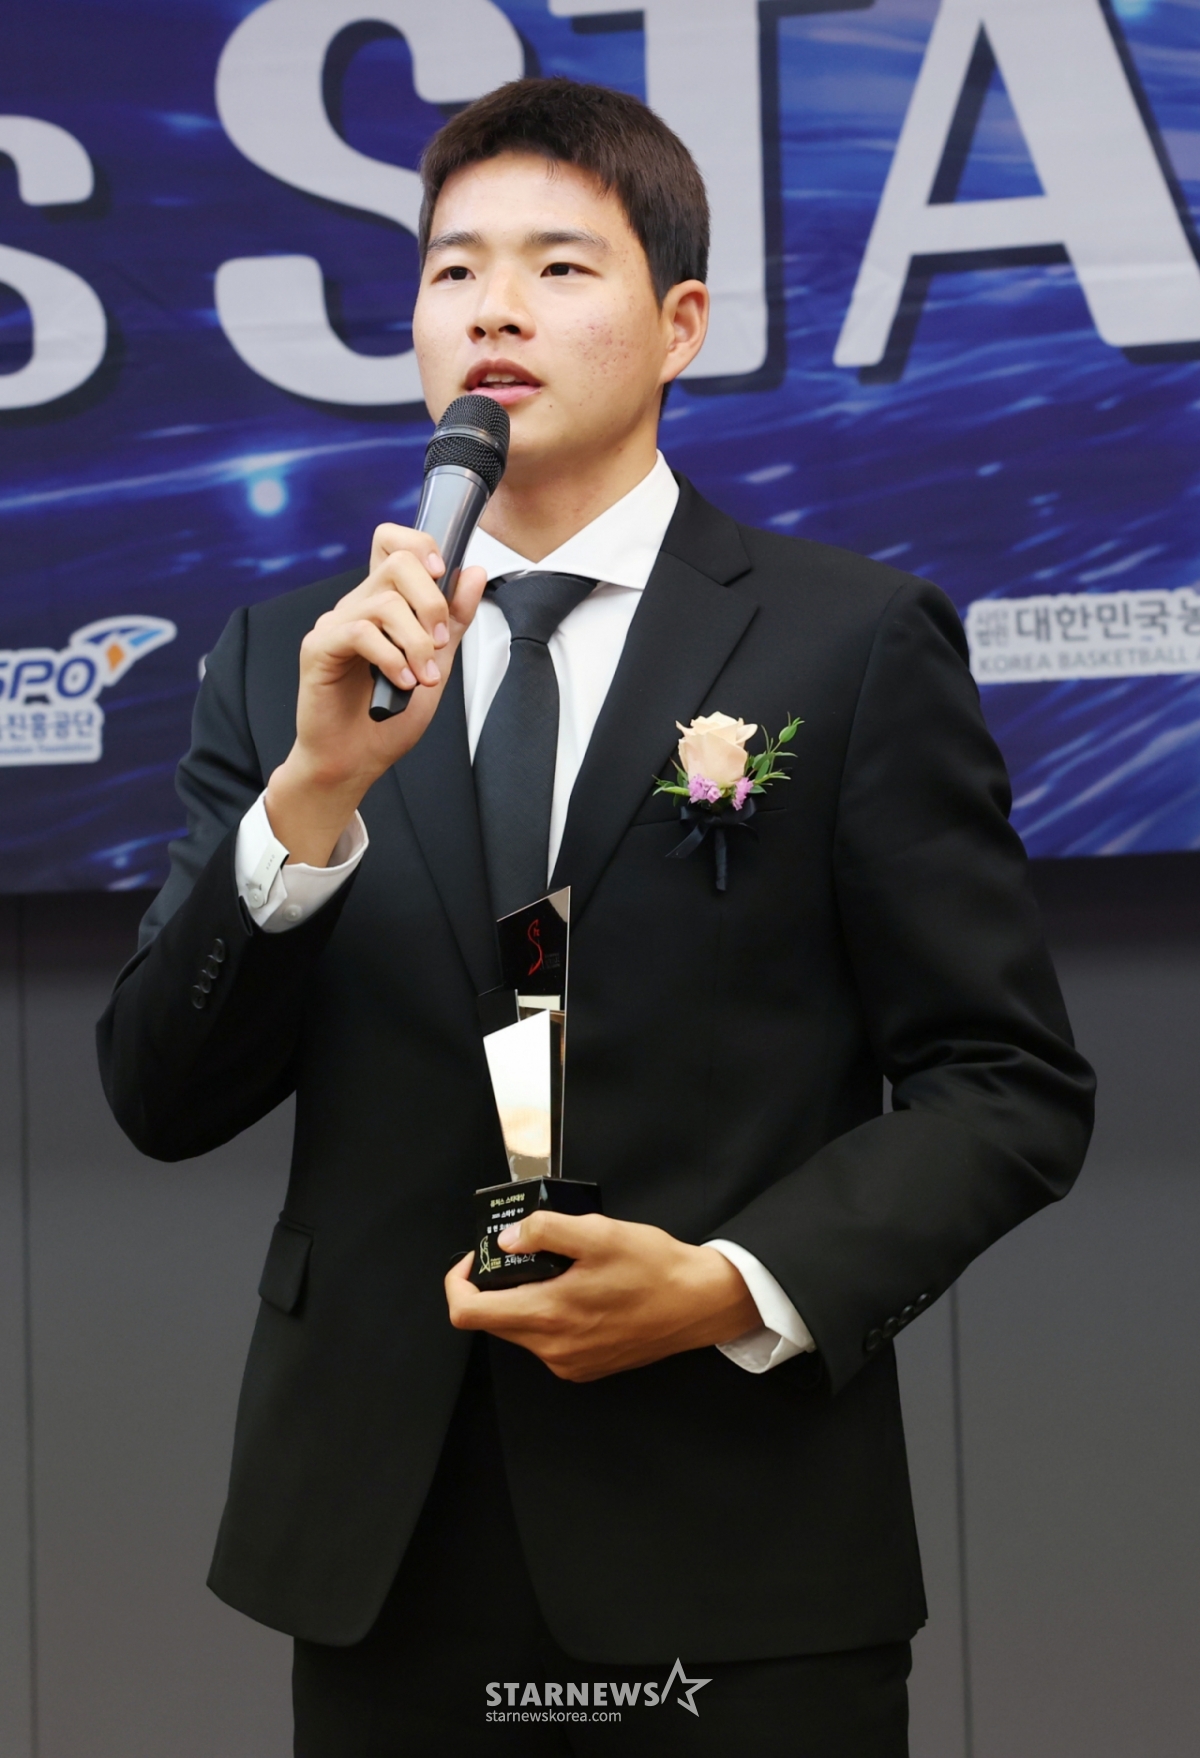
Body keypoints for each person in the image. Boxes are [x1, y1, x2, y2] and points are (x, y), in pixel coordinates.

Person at [98, 77, 1094, 1757]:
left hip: (738, 1544)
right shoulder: (290, 663)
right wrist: (315, 791)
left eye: (558, 267)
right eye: (454, 270)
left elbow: (1008, 1082)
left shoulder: (846, 643)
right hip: (385, 1548)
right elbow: (161, 1089)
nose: (494, 308)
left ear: (679, 322)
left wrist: (728, 1283)